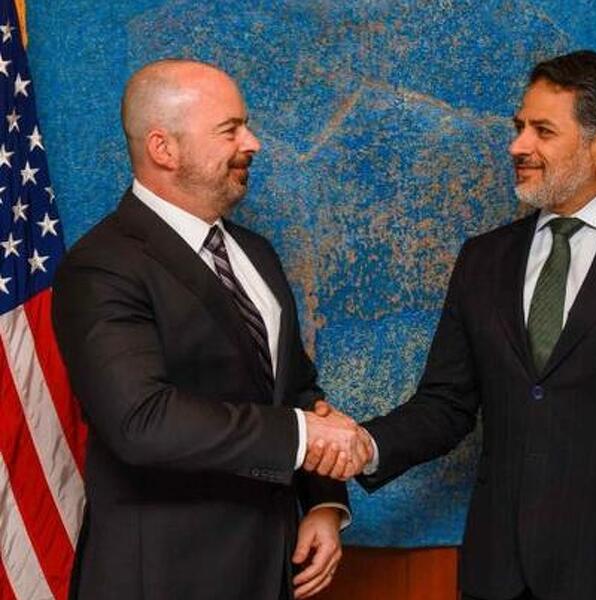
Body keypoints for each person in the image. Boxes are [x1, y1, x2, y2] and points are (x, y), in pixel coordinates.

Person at [308, 50, 596, 600]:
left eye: (542, 131)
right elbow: (446, 403)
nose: (517, 146)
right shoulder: (483, 259)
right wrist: (365, 444)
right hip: (496, 577)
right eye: (519, 127)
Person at [52, 59, 365, 600]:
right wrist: (302, 436)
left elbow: (294, 390)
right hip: (163, 579)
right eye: (230, 130)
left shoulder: (256, 253)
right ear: (163, 149)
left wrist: (323, 503)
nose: (253, 143)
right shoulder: (101, 266)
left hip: (273, 568)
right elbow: (141, 421)